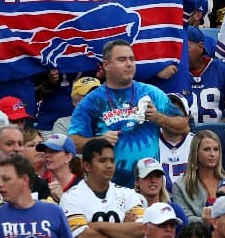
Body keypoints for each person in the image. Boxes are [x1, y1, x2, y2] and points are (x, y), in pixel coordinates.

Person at [68, 42, 190, 187]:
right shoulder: (91, 101)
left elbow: (184, 126)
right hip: (109, 187)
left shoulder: (151, 93)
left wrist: (159, 118)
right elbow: (72, 142)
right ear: (106, 65)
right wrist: (98, 141)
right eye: (122, 60)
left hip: (149, 184)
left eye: (132, 59)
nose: (129, 64)